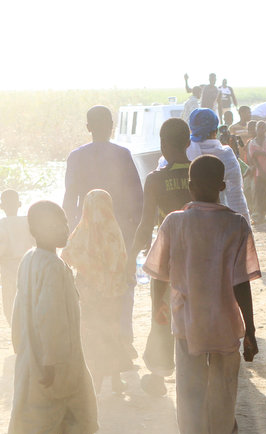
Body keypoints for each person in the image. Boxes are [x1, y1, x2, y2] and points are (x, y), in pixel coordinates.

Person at [143, 155, 261, 434]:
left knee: (190, 401)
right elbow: (242, 284)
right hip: (225, 325)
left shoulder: (174, 223)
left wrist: (156, 315)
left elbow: (158, 276)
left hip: (187, 326)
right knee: (223, 395)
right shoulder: (237, 224)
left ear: (190, 187)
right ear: (223, 186)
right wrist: (251, 331)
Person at [6, 201, 99, 434]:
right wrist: (49, 362)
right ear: (35, 231)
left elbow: (20, 309)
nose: (63, 229)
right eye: (56, 225)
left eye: (63, 222)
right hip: (58, 362)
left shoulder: (29, 260)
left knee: (41, 424)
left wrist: (22, 349)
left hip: (33, 358)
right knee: (83, 415)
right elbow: (50, 318)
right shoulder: (55, 267)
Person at [63, 105, 143, 345]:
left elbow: (70, 198)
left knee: (90, 282)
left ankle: (94, 340)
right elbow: (137, 196)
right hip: (120, 232)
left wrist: (70, 232)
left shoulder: (77, 156)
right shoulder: (122, 154)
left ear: (88, 128)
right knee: (123, 283)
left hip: (87, 232)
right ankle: (122, 342)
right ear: (112, 126)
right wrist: (136, 231)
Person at [131, 118, 193, 397]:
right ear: (189, 142)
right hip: (199, 255)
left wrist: (129, 256)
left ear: (162, 145)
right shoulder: (200, 172)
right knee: (196, 308)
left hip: (167, 258)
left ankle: (159, 372)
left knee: (162, 311)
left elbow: (146, 226)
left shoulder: (155, 179)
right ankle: (196, 366)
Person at [62, 190, 136, 394]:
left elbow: (66, 255)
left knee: (92, 335)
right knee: (111, 332)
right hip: (111, 293)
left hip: (88, 292)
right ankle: (114, 380)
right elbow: (120, 261)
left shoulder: (82, 230)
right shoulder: (113, 230)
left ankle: (95, 383)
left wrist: (87, 268)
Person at [186, 108, 250, 222]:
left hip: (190, 222)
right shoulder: (226, 155)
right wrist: (245, 229)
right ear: (216, 131)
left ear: (191, 129)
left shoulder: (184, 153)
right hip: (220, 221)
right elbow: (236, 197)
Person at [0, 190, 34, 324]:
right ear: (19, 204)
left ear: (1, 206)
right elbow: (36, 240)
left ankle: (13, 326)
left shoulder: (0, 224)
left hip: (8, 265)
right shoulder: (27, 222)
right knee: (27, 295)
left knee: (9, 299)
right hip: (27, 263)